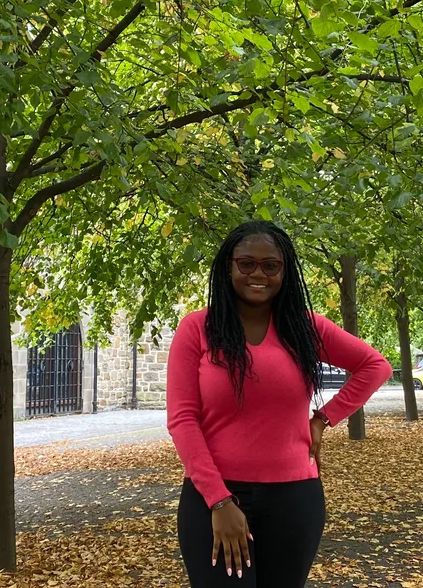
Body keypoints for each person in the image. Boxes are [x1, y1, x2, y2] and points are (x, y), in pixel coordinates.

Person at [166, 221, 393, 587]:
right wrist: (220, 501)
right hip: (212, 499)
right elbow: (182, 419)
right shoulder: (197, 328)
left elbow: (375, 366)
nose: (259, 274)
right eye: (247, 264)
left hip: (294, 500)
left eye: (271, 265)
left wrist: (323, 418)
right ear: (229, 266)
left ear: (284, 271)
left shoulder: (305, 327)